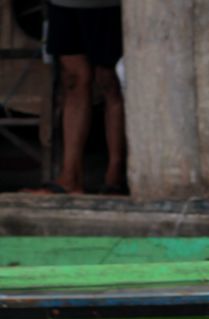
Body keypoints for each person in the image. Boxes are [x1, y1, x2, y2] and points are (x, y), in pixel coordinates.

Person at [32, 0, 126, 195]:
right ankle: (70, 178)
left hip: (108, 5)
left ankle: (115, 176)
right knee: (72, 79)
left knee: (109, 79)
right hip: (64, 3)